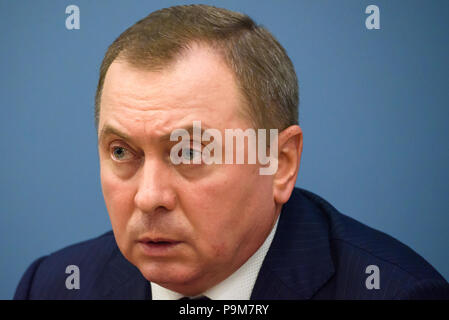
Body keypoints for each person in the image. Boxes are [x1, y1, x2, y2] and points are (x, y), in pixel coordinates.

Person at [14, 4, 448, 300]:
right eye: (122, 152)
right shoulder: (51, 286)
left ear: (280, 163)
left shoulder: (396, 291)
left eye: (188, 153)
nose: (148, 197)